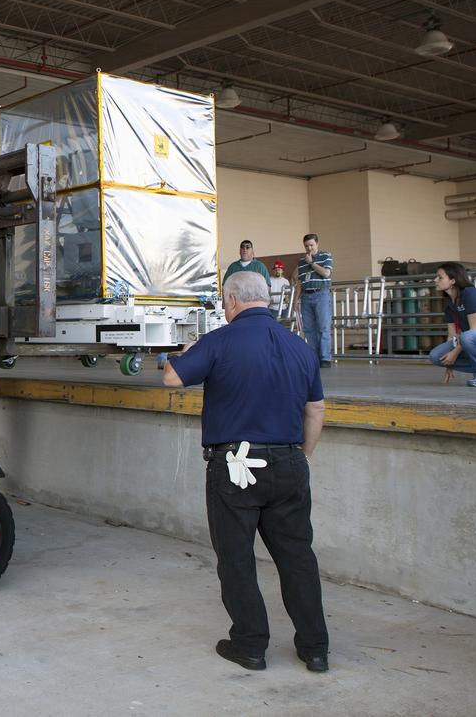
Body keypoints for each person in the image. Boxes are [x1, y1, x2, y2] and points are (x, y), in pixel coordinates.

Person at [162, 271, 329, 673]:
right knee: (297, 557)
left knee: (237, 559)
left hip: (236, 466)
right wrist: (300, 456)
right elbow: (316, 409)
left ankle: (250, 645)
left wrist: (179, 355)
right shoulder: (299, 347)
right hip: (290, 461)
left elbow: (172, 379)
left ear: (233, 300)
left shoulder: (219, 341)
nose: (224, 307)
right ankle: (315, 649)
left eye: (224, 301)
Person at [294, 233, 334, 369]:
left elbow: (326, 273)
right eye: (306, 246)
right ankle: (314, 356)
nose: (309, 248)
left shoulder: (325, 256)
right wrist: (296, 299)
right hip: (306, 295)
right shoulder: (301, 261)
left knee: (323, 327)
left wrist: (311, 262)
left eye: (311, 245)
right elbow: (300, 281)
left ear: (317, 244)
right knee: (309, 328)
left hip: (321, 293)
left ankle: (325, 358)